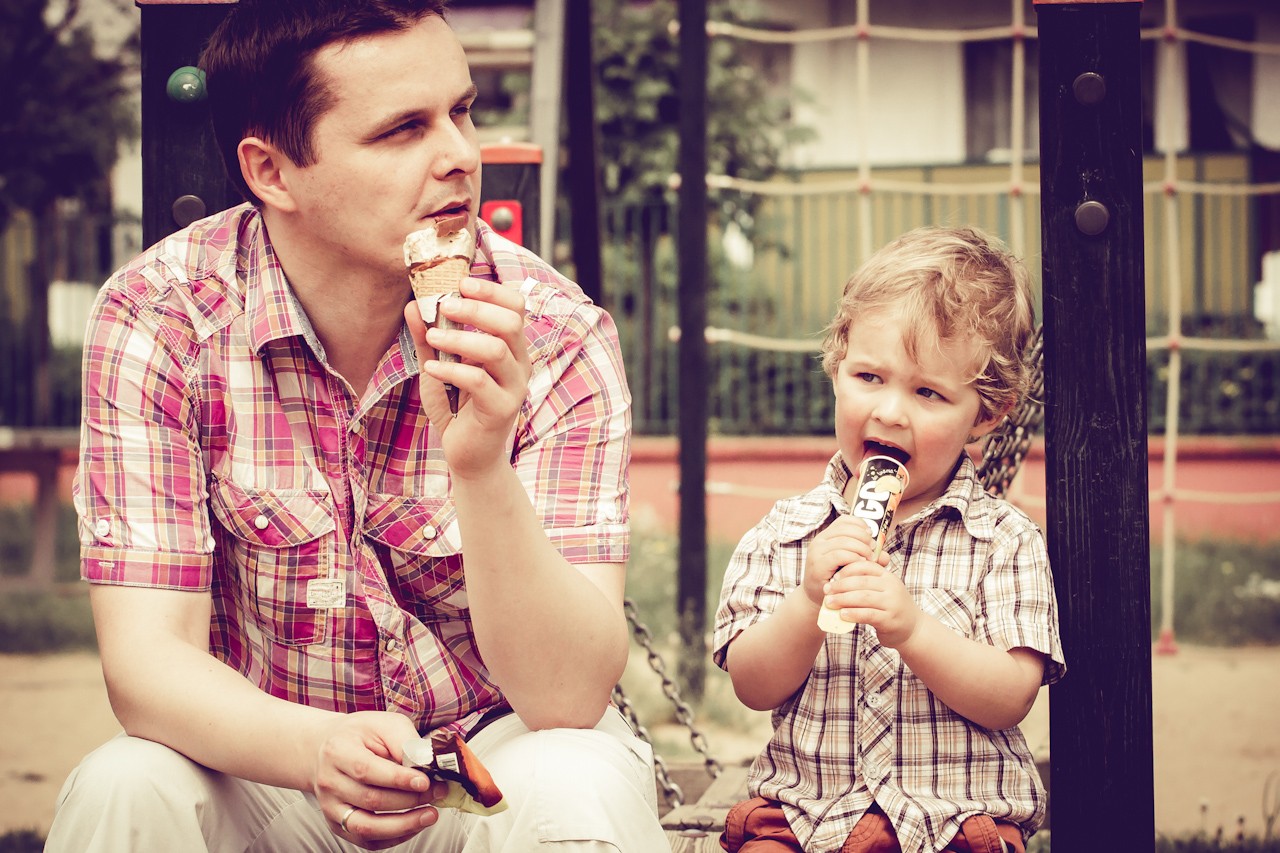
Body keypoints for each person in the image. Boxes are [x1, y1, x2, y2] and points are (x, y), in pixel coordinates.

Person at [45, 1, 669, 850]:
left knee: (578, 778)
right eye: (402, 130)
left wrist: (481, 468)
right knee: (126, 786)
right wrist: (316, 749)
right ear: (272, 172)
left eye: (463, 111)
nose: (459, 155)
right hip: (265, 766)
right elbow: (147, 668)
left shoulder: (554, 332)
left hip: (486, 762)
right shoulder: (161, 317)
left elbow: (568, 697)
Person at [712, 226, 1066, 853]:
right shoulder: (784, 533)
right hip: (806, 820)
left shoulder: (1005, 542)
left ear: (985, 413)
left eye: (928, 392)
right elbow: (751, 684)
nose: (890, 411)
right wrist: (805, 606)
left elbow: (1012, 696)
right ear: (837, 369)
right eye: (870, 377)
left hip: (954, 822)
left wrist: (911, 629)